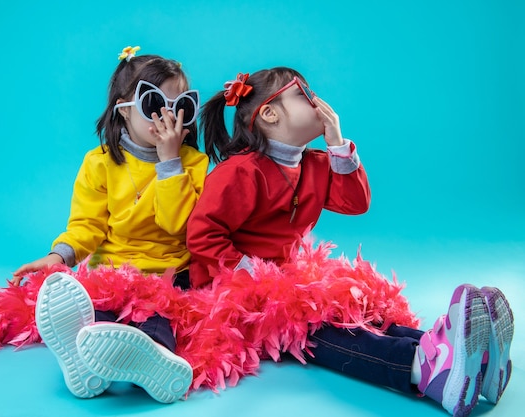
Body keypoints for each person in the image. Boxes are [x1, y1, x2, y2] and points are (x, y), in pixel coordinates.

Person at [186, 68, 514, 416]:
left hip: (288, 283)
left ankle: (468, 360)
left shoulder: (314, 165)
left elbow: (355, 203)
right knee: (318, 329)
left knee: (349, 309)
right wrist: (251, 275)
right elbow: (203, 233)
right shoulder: (241, 171)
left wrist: (338, 143)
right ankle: (424, 368)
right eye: (304, 94)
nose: (317, 102)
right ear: (269, 113)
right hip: (237, 297)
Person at [13, 46, 209, 404]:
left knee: (155, 324)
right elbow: (86, 225)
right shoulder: (100, 163)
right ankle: (85, 361)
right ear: (123, 107)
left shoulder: (192, 163)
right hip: (112, 275)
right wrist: (59, 257)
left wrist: (169, 163)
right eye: (154, 105)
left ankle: (154, 362)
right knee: (96, 319)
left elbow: (176, 224)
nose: (168, 118)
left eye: (181, 107)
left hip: (167, 277)